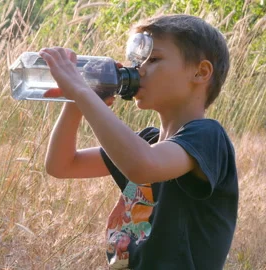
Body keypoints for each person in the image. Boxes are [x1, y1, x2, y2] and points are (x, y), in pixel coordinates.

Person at [40, 14, 238, 270]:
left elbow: (144, 165)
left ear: (200, 72)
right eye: (137, 60)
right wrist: (76, 103)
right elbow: (62, 165)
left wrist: (81, 91)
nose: (138, 69)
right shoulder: (148, 141)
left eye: (153, 59)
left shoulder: (208, 136)